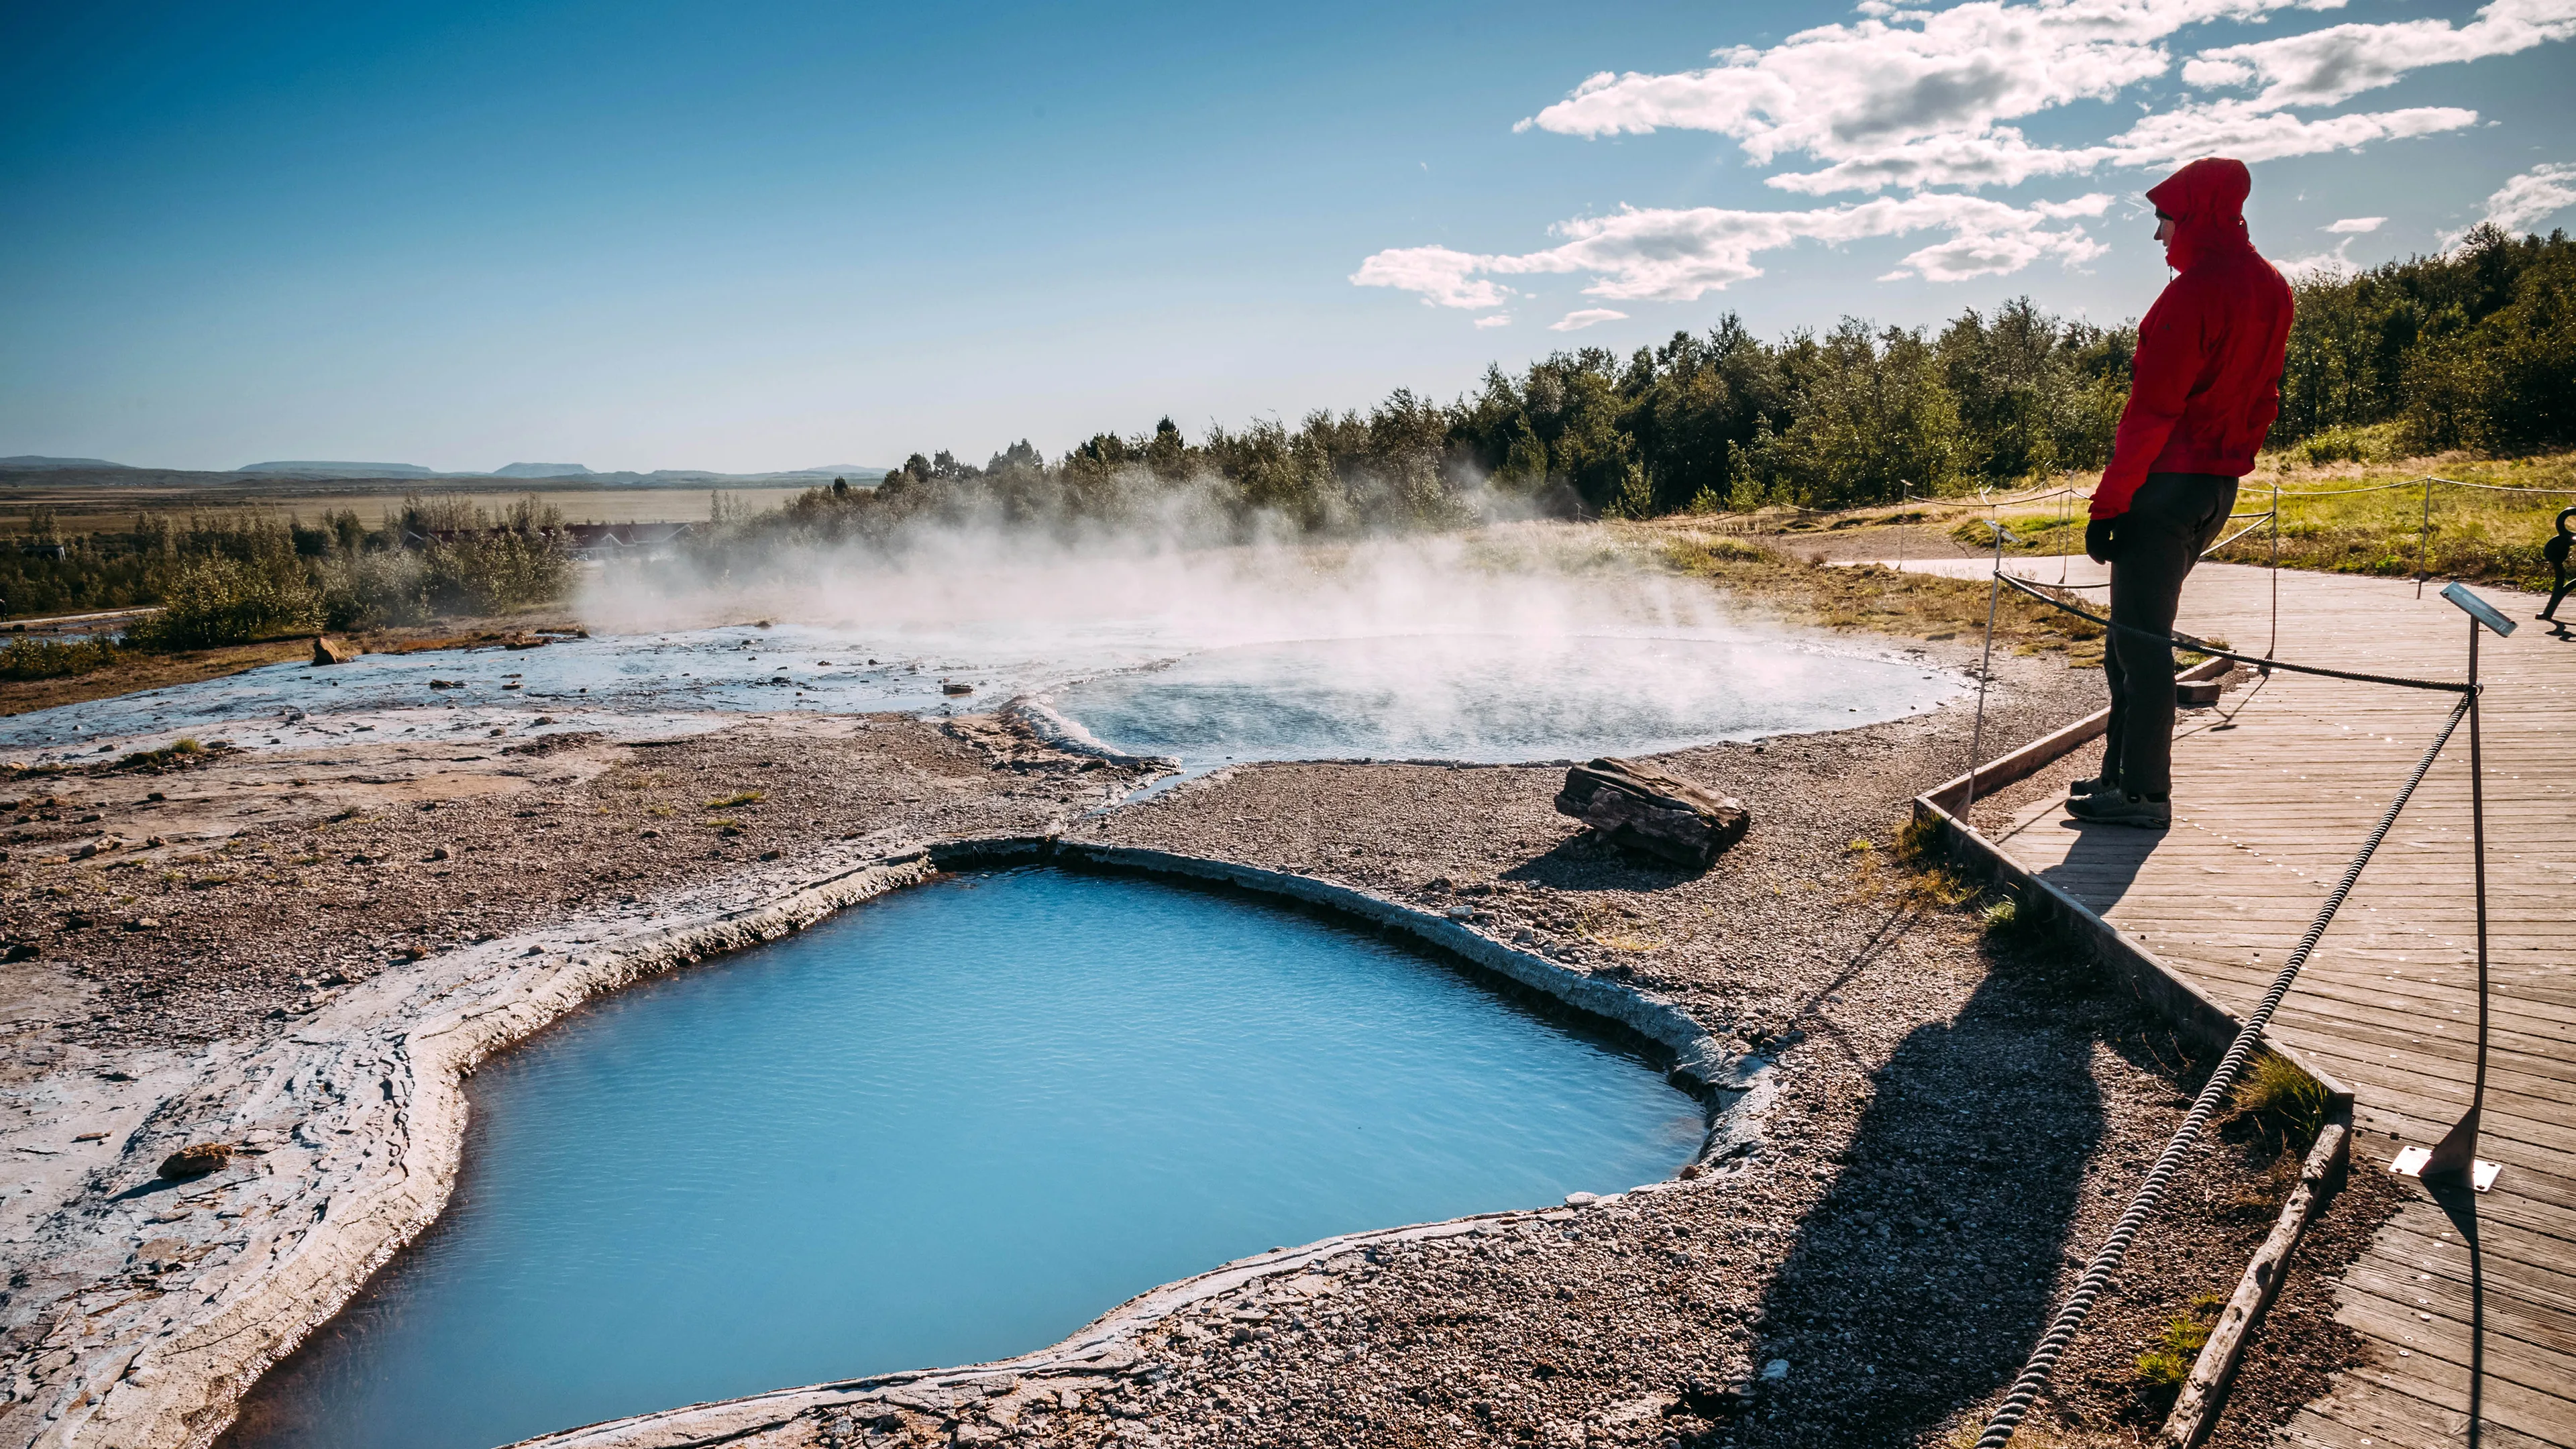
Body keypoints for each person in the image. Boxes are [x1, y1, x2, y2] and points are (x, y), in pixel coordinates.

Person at [2069, 156, 2293, 829]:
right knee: (2129, 639)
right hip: (2213, 487)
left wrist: (2109, 506)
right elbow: (2266, 397)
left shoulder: (2194, 293)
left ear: (2193, 215)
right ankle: (2120, 777)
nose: (2158, 236)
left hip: (2162, 490)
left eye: (2164, 219)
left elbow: (2151, 412)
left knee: (2140, 644)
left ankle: (2144, 794)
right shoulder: (2272, 288)